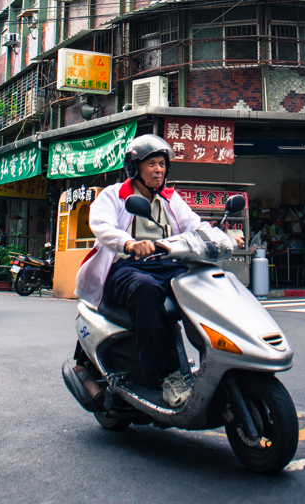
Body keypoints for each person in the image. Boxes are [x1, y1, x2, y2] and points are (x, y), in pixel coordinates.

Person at [75, 135, 243, 409]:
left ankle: (222, 359)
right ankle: (167, 377)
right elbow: (101, 225)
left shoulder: (170, 197)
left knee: (208, 283)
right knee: (145, 289)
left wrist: (224, 238)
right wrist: (128, 243)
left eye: (162, 164)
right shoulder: (114, 195)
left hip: (166, 264)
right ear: (134, 169)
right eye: (151, 164)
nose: (158, 170)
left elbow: (195, 225)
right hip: (126, 268)